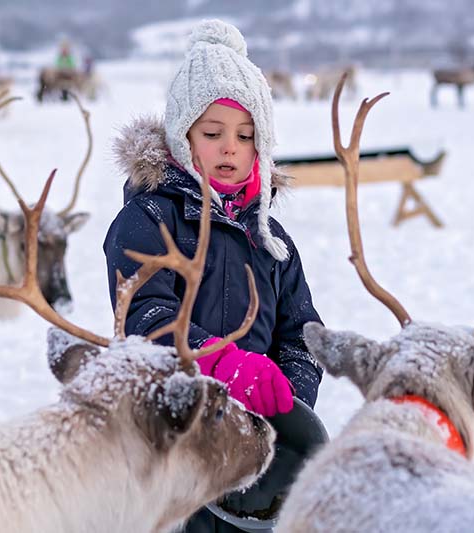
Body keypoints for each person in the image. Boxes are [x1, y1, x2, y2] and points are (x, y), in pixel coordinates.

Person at [103, 19, 323, 532]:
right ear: (183, 137)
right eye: (212, 133)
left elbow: (301, 333)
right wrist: (224, 368)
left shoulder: (273, 240)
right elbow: (144, 314)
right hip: (170, 434)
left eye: (246, 136)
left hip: (254, 448)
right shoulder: (151, 218)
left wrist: (286, 402)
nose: (230, 147)